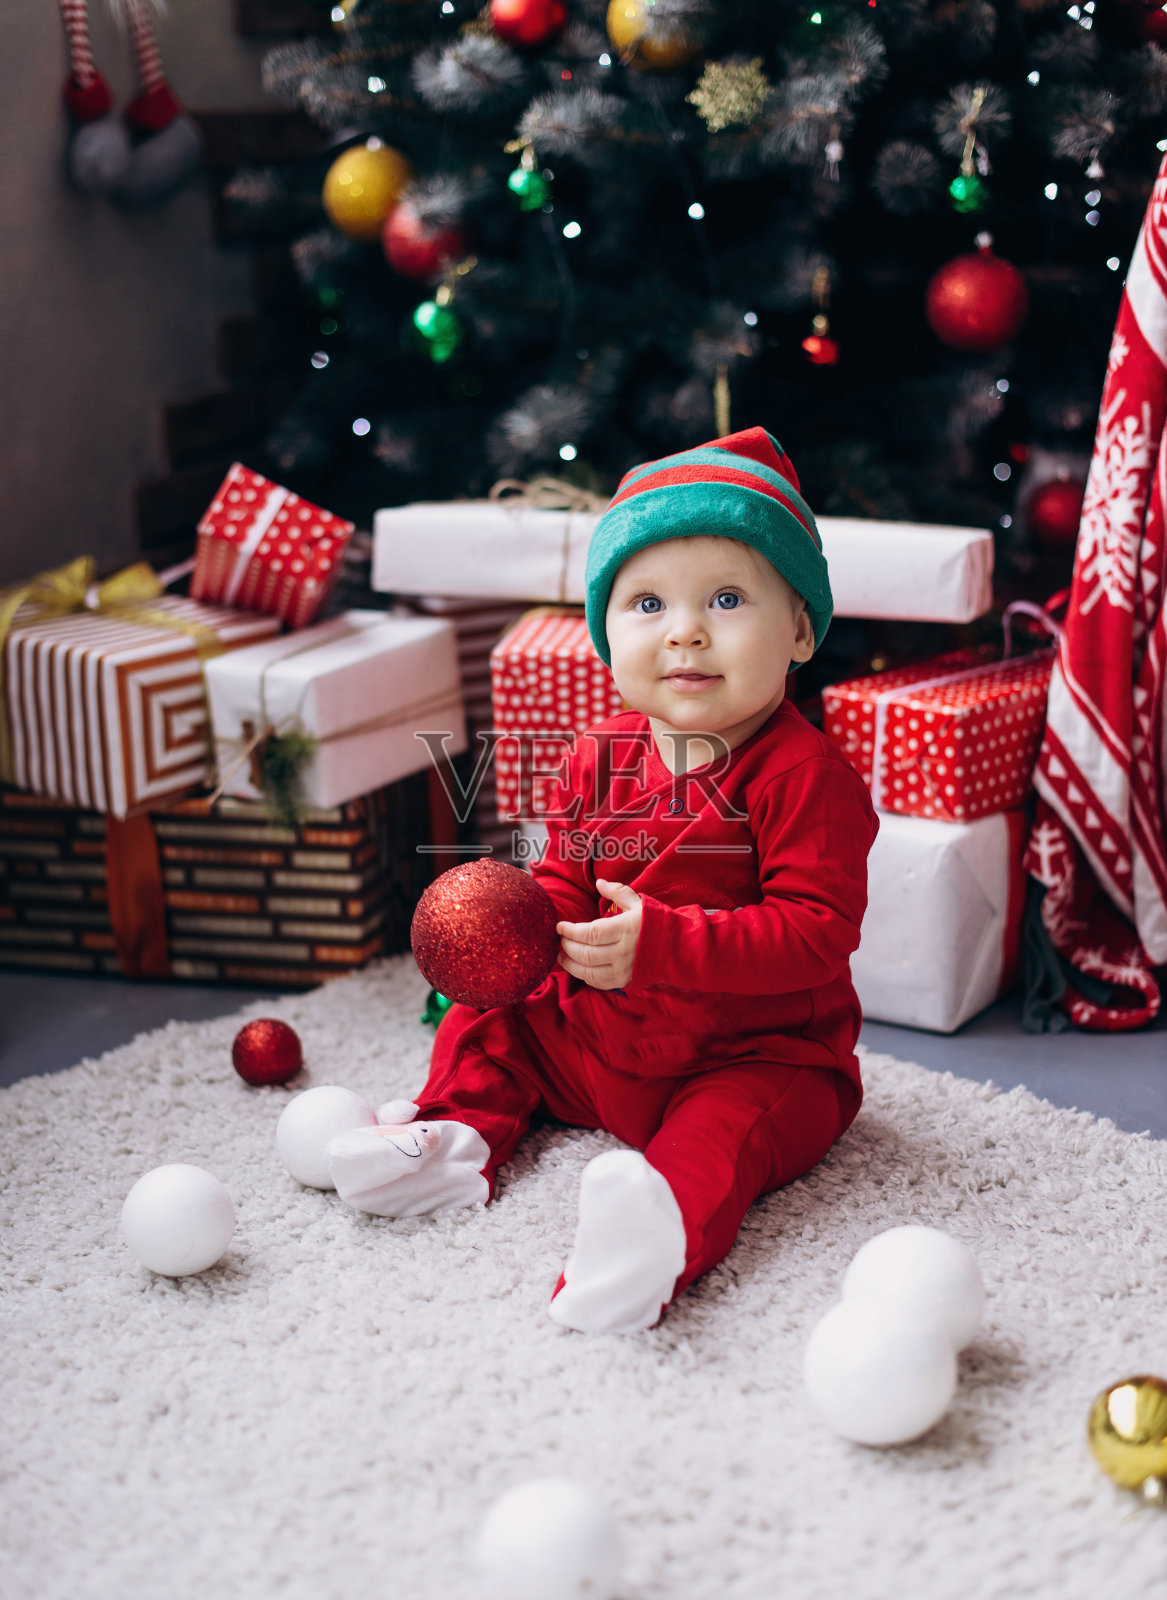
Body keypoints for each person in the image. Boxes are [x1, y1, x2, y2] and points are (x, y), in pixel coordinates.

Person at [328, 426, 879, 1333]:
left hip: (753, 1055)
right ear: (605, 634)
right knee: (495, 1020)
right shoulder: (596, 755)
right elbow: (564, 882)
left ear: (799, 631)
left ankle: (655, 1232)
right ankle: (453, 1138)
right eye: (647, 602)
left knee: (722, 1138)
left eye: (727, 599)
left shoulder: (803, 776)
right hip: (600, 1044)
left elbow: (815, 932)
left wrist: (663, 944)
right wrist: (518, 928)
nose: (685, 630)